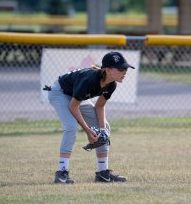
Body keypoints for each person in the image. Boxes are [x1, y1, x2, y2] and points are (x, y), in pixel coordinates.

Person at [47, 51, 134, 184]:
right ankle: (62, 172)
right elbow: (73, 106)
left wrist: (101, 129)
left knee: (105, 128)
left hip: (75, 97)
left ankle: (102, 173)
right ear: (108, 70)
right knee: (71, 127)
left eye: (126, 68)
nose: (125, 71)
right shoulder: (89, 80)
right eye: (121, 68)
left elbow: (99, 106)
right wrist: (88, 131)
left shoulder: (111, 84)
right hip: (60, 92)